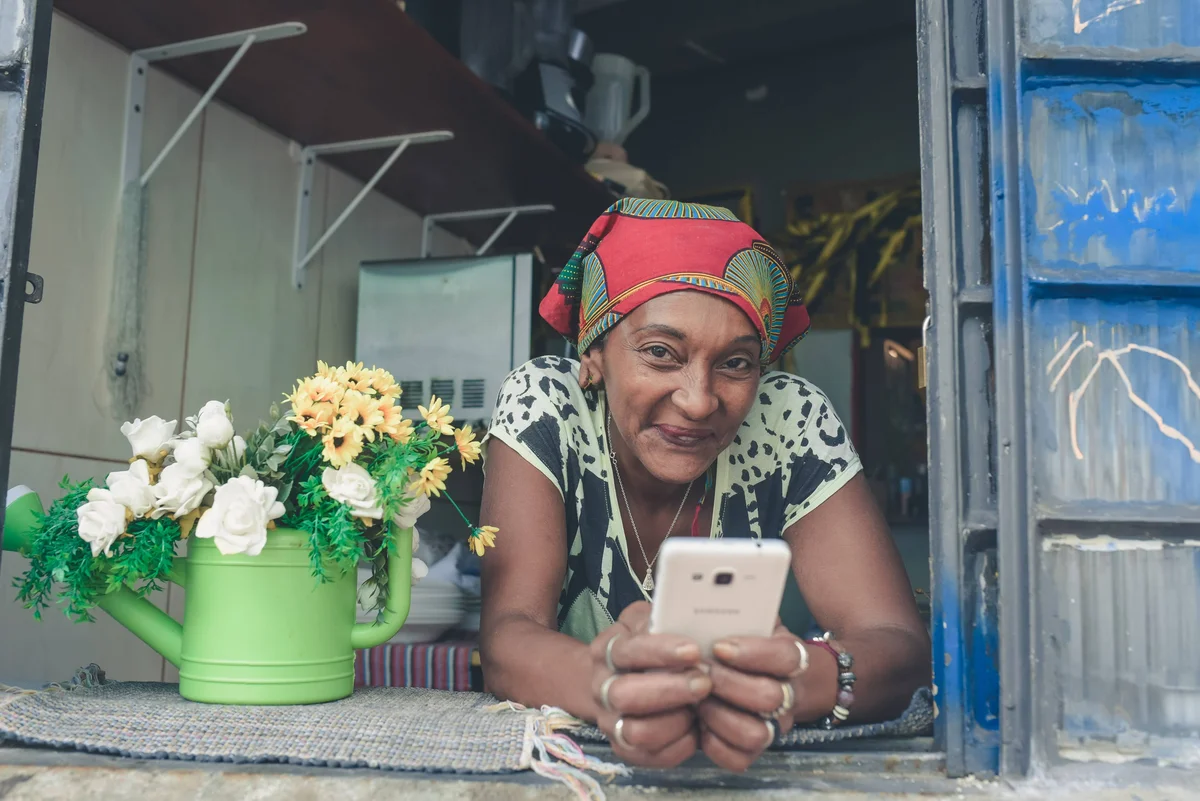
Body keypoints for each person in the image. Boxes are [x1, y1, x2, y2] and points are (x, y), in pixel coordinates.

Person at [479, 199, 930, 772]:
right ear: (592, 353)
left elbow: (897, 643)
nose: (698, 400)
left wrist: (796, 678)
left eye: (737, 363)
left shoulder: (788, 419)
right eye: (660, 353)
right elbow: (507, 636)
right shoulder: (546, 404)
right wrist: (612, 688)